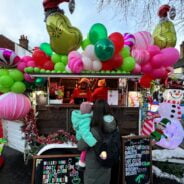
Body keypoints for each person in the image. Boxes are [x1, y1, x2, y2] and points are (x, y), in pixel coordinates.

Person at [77, 99, 119, 184]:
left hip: (93, 174)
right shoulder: (115, 128)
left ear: (95, 112)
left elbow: (80, 146)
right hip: (107, 170)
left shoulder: (93, 131)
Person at [71, 102, 97, 171]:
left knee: (84, 150)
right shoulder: (86, 119)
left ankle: (81, 160)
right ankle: (81, 163)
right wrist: (93, 142)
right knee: (85, 150)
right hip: (83, 137)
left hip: (79, 135)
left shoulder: (78, 117)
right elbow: (85, 133)